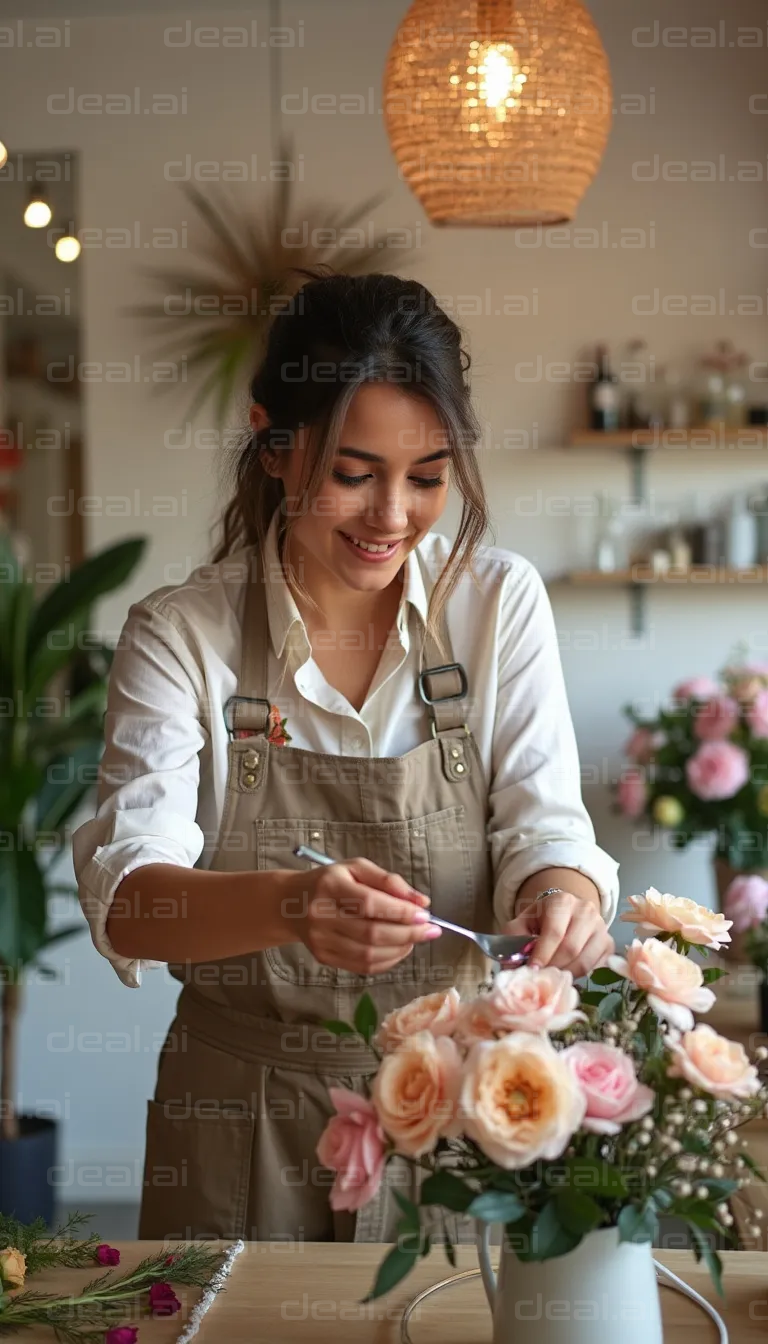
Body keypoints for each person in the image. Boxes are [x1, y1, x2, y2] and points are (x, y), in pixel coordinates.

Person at [72, 269, 619, 1247]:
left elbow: (545, 825)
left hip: (458, 1107)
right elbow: (131, 901)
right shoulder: (180, 635)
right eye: (354, 473)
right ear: (273, 443)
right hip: (235, 1119)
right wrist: (292, 905)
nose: (392, 518)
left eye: (427, 475)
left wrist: (562, 891)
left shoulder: (495, 604)